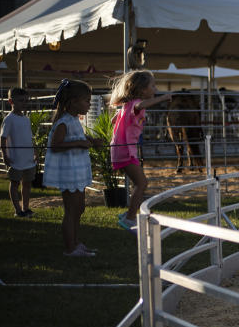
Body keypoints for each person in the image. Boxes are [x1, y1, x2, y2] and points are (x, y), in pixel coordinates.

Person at [43, 79, 105, 257]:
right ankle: (70, 248)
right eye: (86, 101)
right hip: (69, 171)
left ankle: (76, 243)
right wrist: (79, 143)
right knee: (71, 210)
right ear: (73, 101)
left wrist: (91, 141)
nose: (89, 104)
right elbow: (55, 145)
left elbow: (79, 134)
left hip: (77, 169)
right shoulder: (63, 122)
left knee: (79, 208)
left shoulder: (73, 120)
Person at [110, 70, 171, 232]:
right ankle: (129, 219)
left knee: (140, 183)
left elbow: (113, 120)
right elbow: (140, 105)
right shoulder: (136, 104)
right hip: (125, 151)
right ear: (142, 90)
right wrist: (163, 98)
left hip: (122, 150)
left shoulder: (126, 105)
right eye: (153, 86)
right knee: (142, 183)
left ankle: (128, 214)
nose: (155, 89)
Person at [0, 87, 37, 217]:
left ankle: (26, 208)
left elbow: (30, 138)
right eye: (21, 100)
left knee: (27, 183)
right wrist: (4, 155)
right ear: (11, 101)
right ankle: (17, 210)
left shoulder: (26, 119)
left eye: (26, 101)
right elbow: (3, 138)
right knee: (15, 183)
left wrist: (34, 152)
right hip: (15, 159)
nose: (24, 103)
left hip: (28, 159)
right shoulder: (9, 119)